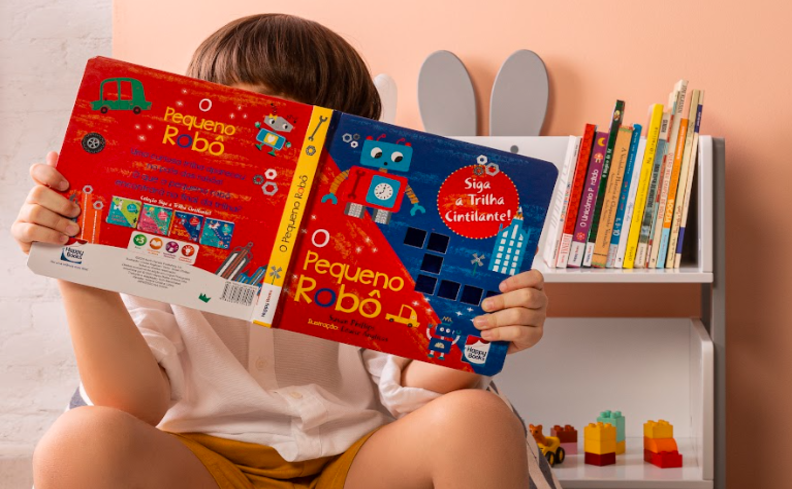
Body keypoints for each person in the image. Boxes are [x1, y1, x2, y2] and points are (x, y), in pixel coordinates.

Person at [11, 14, 548, 489]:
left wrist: (480, 328)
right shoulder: (154, 224)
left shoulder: (370, 233)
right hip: (201, 465)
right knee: (78, 440)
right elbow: (131, 406)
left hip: (354, 462)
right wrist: (73, 265)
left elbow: (411, 388)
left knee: (477, 417)